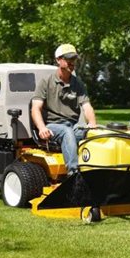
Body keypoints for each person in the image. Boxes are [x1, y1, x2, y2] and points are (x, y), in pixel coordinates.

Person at [31, 44, 97, 176]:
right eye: (68, 59)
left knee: (98, 133)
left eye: (74, 59)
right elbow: (35, 108)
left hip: (73, 126)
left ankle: (96, 171)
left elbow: (87, 106)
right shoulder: (46, 82)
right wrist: (42, 128)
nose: (72, 62)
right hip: (53, 127)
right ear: (58, 60)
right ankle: (73, 174)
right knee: (67, 132)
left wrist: (92, 124)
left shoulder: (78, 84)